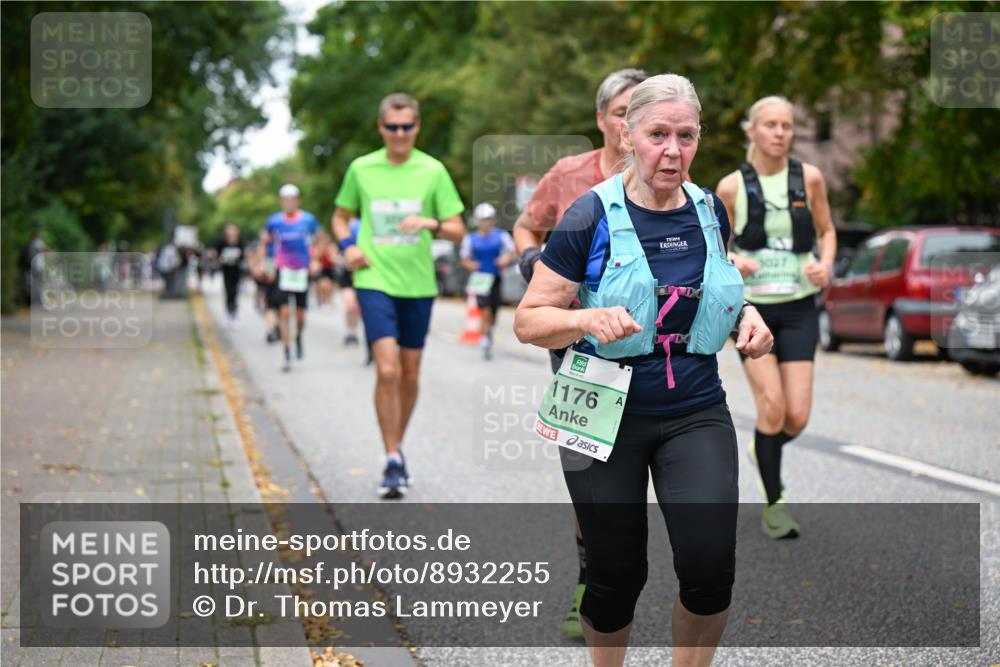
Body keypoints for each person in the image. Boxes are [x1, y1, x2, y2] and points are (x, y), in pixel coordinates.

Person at [514, 74, 773, 667]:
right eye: (658, 134)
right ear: (627, 136)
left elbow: (719, 287)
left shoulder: (709, 209)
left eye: (686, 136)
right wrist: (586, 320)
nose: (673, 150)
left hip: (694, 409)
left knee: (710, 570)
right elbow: (529, 321)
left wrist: (747, 316)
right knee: (613, 576)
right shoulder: (588, 214)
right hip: (602, 408)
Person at [512, 67, 647, 638]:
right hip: (580, 343)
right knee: (590, 461)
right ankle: (590, 581)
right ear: (601, 120)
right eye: (621, 112)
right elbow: (525, 226)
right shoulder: (569, 174)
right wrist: (530, 265)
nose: (630, 124)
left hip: (649, 344)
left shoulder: (668, 175)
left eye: (641, 113)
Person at [331, 92, 465, 499]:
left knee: (409, 374)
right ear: (381, 128)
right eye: (393, 127)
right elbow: (340, 216)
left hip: (418, 284)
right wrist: (348, 247)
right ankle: (391, 456)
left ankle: (397, 445)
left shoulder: (433, 170)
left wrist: (430, 222)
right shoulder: (362, 168)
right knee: (386, 370)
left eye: (407, 126)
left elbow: (458, 229)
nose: (400, 134)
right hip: (374, 279)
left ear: (417, 127)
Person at [715, 95, 836, 539]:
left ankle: (764, 446)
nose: (780, 132)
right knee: (772, 407)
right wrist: (732, 261)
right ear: (752, 131)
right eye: (770, 124)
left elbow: (826, 230)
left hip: (800, 306)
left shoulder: (811, 178)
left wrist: (826, 264)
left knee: (796, 417)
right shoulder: (730, 187)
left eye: (787, 125)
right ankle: (774, 504)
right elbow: (713, 248)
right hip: (753, 312)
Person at [258, 184, 319, 372]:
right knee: (284, 313)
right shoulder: (274, 221)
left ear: (298, 201)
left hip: (301, 272)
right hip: (282, 272)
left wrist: (315, 260)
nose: (289, 203)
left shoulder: (308, 220)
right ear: (281, 201)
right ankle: (286, 353)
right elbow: (265, 244)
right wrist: (263, 265)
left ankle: (298, 336)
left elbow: (320, 239)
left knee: (300, 316)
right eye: (285, 199)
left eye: (292, 199)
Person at [459, 203, 516, 360]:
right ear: (478, 221)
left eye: (489, 219)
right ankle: (484, 340)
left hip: (495, 278)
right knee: (485, 310)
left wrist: (505, 259)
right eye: (484, 219)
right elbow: (464, 259)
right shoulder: (470, 239)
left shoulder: (501, 235)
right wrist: (471, 265)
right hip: (480, 280)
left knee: (495, 311)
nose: (486, 223)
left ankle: (488, 332)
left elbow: (513, 252)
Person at [215, 223, 246, 327]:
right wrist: (222, 260)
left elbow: (243, 256)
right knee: (228, 293)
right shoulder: (222, 243)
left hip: (237, 271)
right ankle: (229, 313)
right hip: (226, 271)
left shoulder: (240, 243)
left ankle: (234, 314)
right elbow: (217, 256)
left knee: (235, 293)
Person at [311, 229, 338, 308]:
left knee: (329, 286)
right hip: (321, 270)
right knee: (322, 285)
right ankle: (321, 299)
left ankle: (327, 299)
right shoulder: (316, 247)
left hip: (329, 269)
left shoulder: (332, 247)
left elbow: (334, 258)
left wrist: (331, 256)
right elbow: (315, 257)